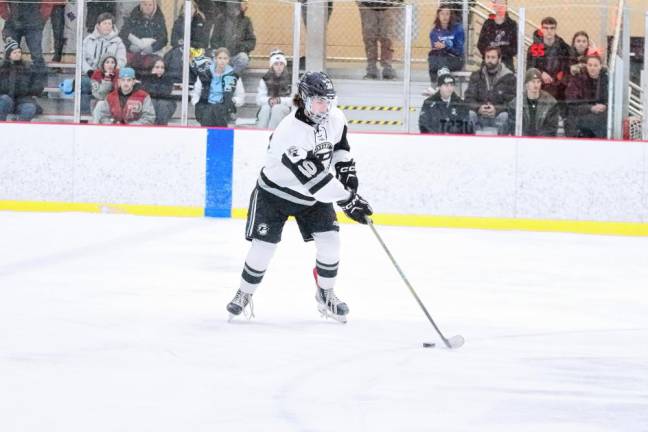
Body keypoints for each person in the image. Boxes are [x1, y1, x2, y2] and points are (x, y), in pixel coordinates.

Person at [225, 71, 373, 323]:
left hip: (312, 198)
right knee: (263, 248)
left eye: (328, 100)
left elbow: (339, 149)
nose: (324, 107)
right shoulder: (289, 133)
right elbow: (318, 183)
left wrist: (348, 177)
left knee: (331, 243)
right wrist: (348, 199)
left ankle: (325, 294)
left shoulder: (335, 117)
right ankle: (244, 293)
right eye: (318, 101)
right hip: (275, 195)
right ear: (304, 99)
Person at [464, 47, 515, 135]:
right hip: (479, 116)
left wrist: (497, 109)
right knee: (470, 114)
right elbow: (468, 98)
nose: (489, 60)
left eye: (493, 57)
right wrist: (478, 108)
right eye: (487, 57)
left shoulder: (509, 77)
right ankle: (472, 144)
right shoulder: (476, 75)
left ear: (499, 59)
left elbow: (511, 102)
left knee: (504, 116)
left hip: (498, 117)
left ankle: (501, 144)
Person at [0, 0, 61, 71]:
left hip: (33, 22)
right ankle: (9, 77)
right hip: (14, 22)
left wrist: (42, 18)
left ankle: (39, 79)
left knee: (37, 56)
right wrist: (5, 14)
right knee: (11, 54)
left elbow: (48, 2)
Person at [191, 47, 245, 127]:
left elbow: (240, 96)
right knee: (209, 111)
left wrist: (232, 102)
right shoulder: (205, 74)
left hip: (224, 108)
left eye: (225, 58)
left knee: (216, 110)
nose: (222, 61)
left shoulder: (233, 76)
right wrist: (197, 104)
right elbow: (196, 93)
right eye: (220, 58)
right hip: (206, 107)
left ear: (228, 60)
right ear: (215, 59)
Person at [526, 17, 571, 107]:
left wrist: (559, 77)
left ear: (555, 29)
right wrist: (541, 73)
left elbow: (569, 64)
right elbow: (530, 67)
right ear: (541, 29)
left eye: (552, 28)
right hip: (539, 83)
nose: (549, 31)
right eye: (546, 28)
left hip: (559, 84)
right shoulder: (533, 48)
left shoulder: (564, 47)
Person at [565, 54, 608, 138]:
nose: (592, 68)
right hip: (579, 119)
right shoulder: (577, 80)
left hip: (599, 119)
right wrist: (590, 108)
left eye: (595, 65)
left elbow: (612, 101)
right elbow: (571, 104)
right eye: (590, 65)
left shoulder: (606, 80)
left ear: (600, 66)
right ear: (586, 66)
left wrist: (605, 106)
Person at [0, 38, 43, 122]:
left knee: (29, 108)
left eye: (19, 52)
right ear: (9, 55)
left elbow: (38, 84)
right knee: (5, 99)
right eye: (15, 52)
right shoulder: (2, 68)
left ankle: (19, 131)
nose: (18, 54)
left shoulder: (28, 67)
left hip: (23, 100)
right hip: (6, 100)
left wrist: (31, 91)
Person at [119, 0, 168, 73]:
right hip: (135, 52)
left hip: (153, 53)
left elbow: (164, 39)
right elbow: (123, 34)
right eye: (145, 5)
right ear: (141, 5)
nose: (147, 7)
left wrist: (152, 48)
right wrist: (130, 46)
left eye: (150, 5)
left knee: (157, 65)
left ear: (154, 6)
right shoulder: (133, 17)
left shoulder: (159, 19)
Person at [357, 0, 402, 80]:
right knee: (369, 38)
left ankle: (387, 68)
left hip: (390, 6)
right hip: (367, 6)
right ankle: (371, 69)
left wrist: (397, 2)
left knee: (388, 38)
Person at [508, 68, 559, 137]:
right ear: (526, 84)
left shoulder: (551, 103)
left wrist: (538, 141)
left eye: (538, 82)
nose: (536, 85)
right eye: (533, 82)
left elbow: (551, 128)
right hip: (523, 142)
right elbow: (514, 127)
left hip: (543, 143)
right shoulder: (515, 103)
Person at [209, 0, 256, 75]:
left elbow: (252, 42)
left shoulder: (246, 21)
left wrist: (239, 46)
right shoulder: (221, 19)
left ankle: (231, 77)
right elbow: (213, 41)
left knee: (243, 58)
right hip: (222, 55)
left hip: (237, 54)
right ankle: (219, 78)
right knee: (213, 58)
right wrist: (223, 51)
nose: (246, 5)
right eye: (244, 2)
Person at [428, 5, 465, 85]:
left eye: (447, 14)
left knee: (437, 60)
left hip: (456, 60)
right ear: (438, 15)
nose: (445, 16)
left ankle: (435, 86)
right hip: (440, 59)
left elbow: (458, 52)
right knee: (432, 55)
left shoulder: (458, 29)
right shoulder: (434, 32)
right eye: (442, 14)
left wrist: (446, 47)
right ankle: (439, 80)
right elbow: (436, 51)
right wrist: (441, 48)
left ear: (451, 15)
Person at [476, 0, 517, 71]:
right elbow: (480, 44)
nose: (500, 6)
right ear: (494, 6)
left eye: (502, 3)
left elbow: (514, 48)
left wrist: (499, 55)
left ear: (506, 6)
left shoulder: (512, 24)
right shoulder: (488, 24)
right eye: (498, 3)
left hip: (505, 61)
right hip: (489, 60)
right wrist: (491, 55)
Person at [256, 50, 292, 129]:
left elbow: (296, 100)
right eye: (276, 64)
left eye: (281, 64)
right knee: (265, 109)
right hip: (269, 105)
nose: (279, 66)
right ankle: (260, 134)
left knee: (277, 109)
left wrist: (279, 100)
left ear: (284, 65)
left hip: (286, 108)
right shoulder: (265, 79)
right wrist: (270, 100)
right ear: (272, 65)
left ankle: (272, 134)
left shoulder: (291, 79)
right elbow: (259, 99)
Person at [141, 57, 177, 125]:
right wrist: (153, 76)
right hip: (152, 103)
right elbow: (148, 92)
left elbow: (165, 93)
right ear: (152, 68)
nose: (160, 70)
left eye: (162, 67)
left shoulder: (168, 79)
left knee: (162, 103)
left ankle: (161, 127)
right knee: (152, 101)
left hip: (165, 104)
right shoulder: (145, 78)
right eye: (157, 67)